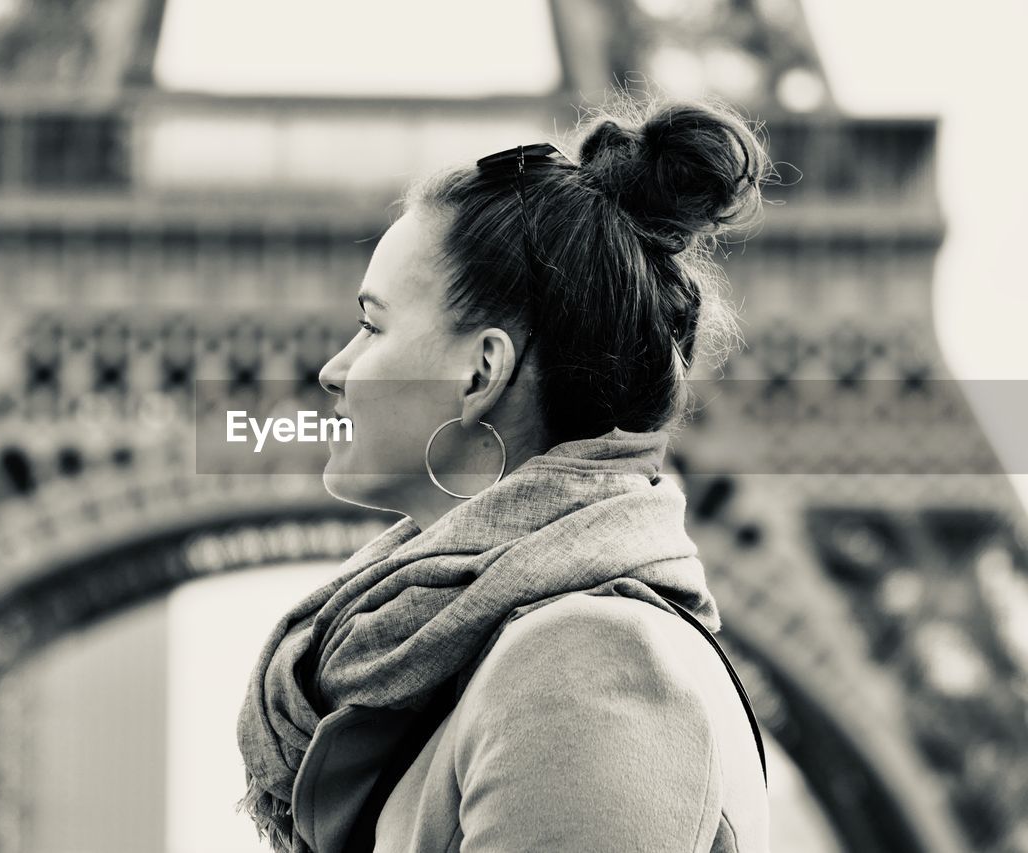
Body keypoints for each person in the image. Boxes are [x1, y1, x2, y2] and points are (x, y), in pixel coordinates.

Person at [236, 94, 772, 853]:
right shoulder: (478, 656)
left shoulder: (587, 661)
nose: (333, 370)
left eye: (371, 325)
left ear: (480, 370)